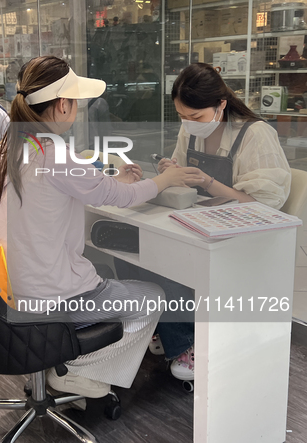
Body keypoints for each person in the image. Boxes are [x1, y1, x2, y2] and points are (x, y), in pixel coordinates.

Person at [0, 56, 206, 398]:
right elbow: (118, 197)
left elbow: (63, 187)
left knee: (105, 271)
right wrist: (165, 179)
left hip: (7, 289)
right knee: (152, 297)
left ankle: (65, 359)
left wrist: (112, 178)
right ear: (62, 105)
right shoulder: (55, 152)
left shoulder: (9, 147)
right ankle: (76, 372)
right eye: (76, 104)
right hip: (51, 298)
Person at [116, 62, 292, 382]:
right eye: (182, 116)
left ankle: (187, 342)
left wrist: (209, 182)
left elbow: (265, 204)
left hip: (244, 235)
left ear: (221, 104)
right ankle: (165, 327)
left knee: (169, 261)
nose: (188, 123)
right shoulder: (192, 130)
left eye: (195, 117)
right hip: (202, 220)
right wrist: (173, 172)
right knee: (135, 250)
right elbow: (186, 178)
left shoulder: (255, 135)